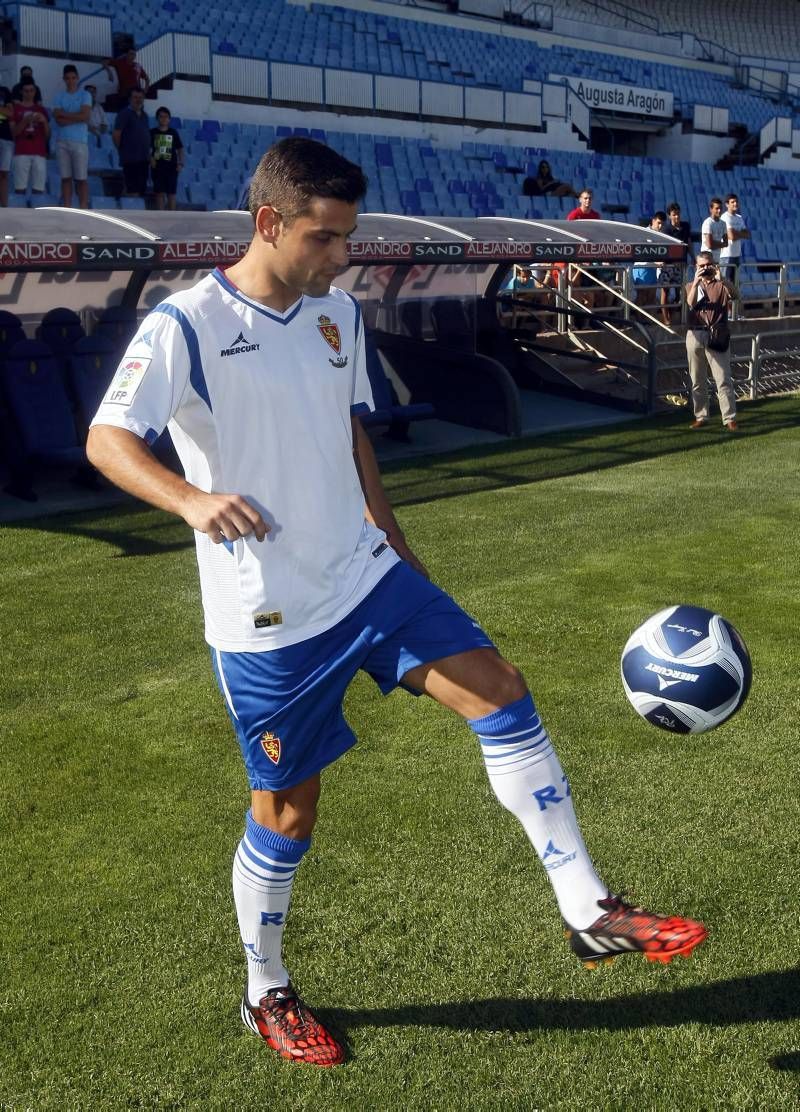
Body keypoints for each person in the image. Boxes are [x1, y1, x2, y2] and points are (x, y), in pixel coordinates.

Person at [86, 137, 708, 1068]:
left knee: (499, 688)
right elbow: (107, 438)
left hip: (368, 576)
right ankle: (267, 990)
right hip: (271, 619)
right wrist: (191, 499)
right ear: (269, 223)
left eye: (348, 236)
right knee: (289, 809)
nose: (343, 257)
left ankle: (589, 911)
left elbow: (348, 430)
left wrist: (394, 539)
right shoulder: (186, 326)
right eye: (326, 237)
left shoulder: (336, 316)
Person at [685, 250, 738, 431]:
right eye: (702, 266)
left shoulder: (721, 285)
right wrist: (697, 281)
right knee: (697, 379)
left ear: (714, 264)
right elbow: (691, 302)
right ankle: (701, 416)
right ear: (696, 267)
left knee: (723, 378)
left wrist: (721, 278)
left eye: (708, 265)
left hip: (717, 334)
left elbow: (736, 295)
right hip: (695, 335)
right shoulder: (691, 284)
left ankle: (729, 418)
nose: (706, 268)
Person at [52, 64, 91, 209]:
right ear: (64, 79)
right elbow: (58, 120)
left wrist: (65, 114)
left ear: (77, 78)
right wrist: (78, 117)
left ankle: (83, 208)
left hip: (80, 141)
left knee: (81, 179)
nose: (71, 81)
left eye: (73, 78)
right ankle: (67, 207)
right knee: (65, 178)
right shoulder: (59, 97)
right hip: (62, 141)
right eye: (68, 78)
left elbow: (86, 116)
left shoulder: (85, 95)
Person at [10, 79, 49, 198]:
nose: (29, 93)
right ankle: (20, 216)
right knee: (19, 189)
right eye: (26, 91)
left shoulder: (41, 110)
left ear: (35, 91)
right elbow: (13, 133)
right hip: (21, 152)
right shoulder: (15, 109)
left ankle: (37, 216)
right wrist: (25, 121)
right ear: (21, 92)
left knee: (38, 189)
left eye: (31, 90)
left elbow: (47, 136)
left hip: (39, 152)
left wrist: (44, 122)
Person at [112, 88, 150, 197]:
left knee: (141, 188)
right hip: (130, 158)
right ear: (130, 99)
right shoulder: (124, 114)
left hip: (143, 158)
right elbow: (116, 134)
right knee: (132, 189)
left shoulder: (145, 116)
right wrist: (122, 150)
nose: (138, 100)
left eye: (141, 97)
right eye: (135, 97)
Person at [659, 202, 692, 325]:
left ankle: (674, 314)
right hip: (669, 265)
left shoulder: (685, 226)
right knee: (665, 291)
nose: (677, 217)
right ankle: (665, 319)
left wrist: (693, 257)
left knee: (680, 293)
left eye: (678, 214)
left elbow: (688, 243)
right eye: (674, 215)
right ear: (669, 216)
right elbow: (665, 249)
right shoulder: (665, 229)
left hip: (682, 265)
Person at [149, 106, 184, 210]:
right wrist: (151, 159)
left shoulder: (173, 133)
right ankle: (160, 216)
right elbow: (147, 148)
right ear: (157, 118)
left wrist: (181, 163)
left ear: (169, 119)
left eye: (166, 117)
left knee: (171, 194)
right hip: (157, 167)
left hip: (172, 168)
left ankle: (171, 216)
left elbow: (180, 149)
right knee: (159, 194)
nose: (163, 119)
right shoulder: (152, 132)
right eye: (161, 116)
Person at [632, 211, 665, 311]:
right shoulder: (643, 233)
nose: (660, 226)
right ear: (653, 221)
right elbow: (641, 252)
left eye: (662, 224)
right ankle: (638, 319)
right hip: (642, 268)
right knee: (641, 295)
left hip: (652, 269)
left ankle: (647, 319)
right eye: (658, 223)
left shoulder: (661, 235)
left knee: (651, 296)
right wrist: (656, 261)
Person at [719, 193, 750, 286]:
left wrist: (735, 233)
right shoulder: (725, 217)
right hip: (726, 256)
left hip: (737, 255)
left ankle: (733, 301)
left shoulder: (739, 218)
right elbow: (731, 236)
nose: (735, 204)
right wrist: (740, 234)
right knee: (725, 284)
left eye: (736, 201)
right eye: (732, 202)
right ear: (727, 204)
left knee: (734, 284)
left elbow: (747, 234)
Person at [701, 197, 727, 263]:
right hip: (707, 259)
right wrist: (720, 244)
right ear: (711, 209)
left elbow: (726, 243)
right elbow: (709, 245)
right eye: (717, 208)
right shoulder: (708, 223)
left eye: (720, 208)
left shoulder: (723, 224)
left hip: (717, 258)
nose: (719, 210)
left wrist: (714, 243)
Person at [0, 84, 12, 206]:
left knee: (3, 174)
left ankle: (4, 207)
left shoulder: (4, 90)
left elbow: (10, 113)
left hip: (5, 137)